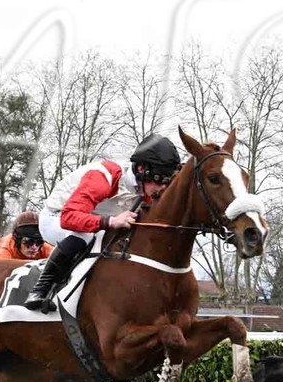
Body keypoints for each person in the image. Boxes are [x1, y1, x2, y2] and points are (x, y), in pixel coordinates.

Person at [22, 134, 182, 313]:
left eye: (167, 182)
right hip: (57, 217)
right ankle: (40, 290)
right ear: (141, 169)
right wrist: (111, 221)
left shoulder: (144, 188)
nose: (163, 188)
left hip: (91, 219)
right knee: (85, 235)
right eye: (160, 180)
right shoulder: (103, 178)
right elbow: (69, 218)